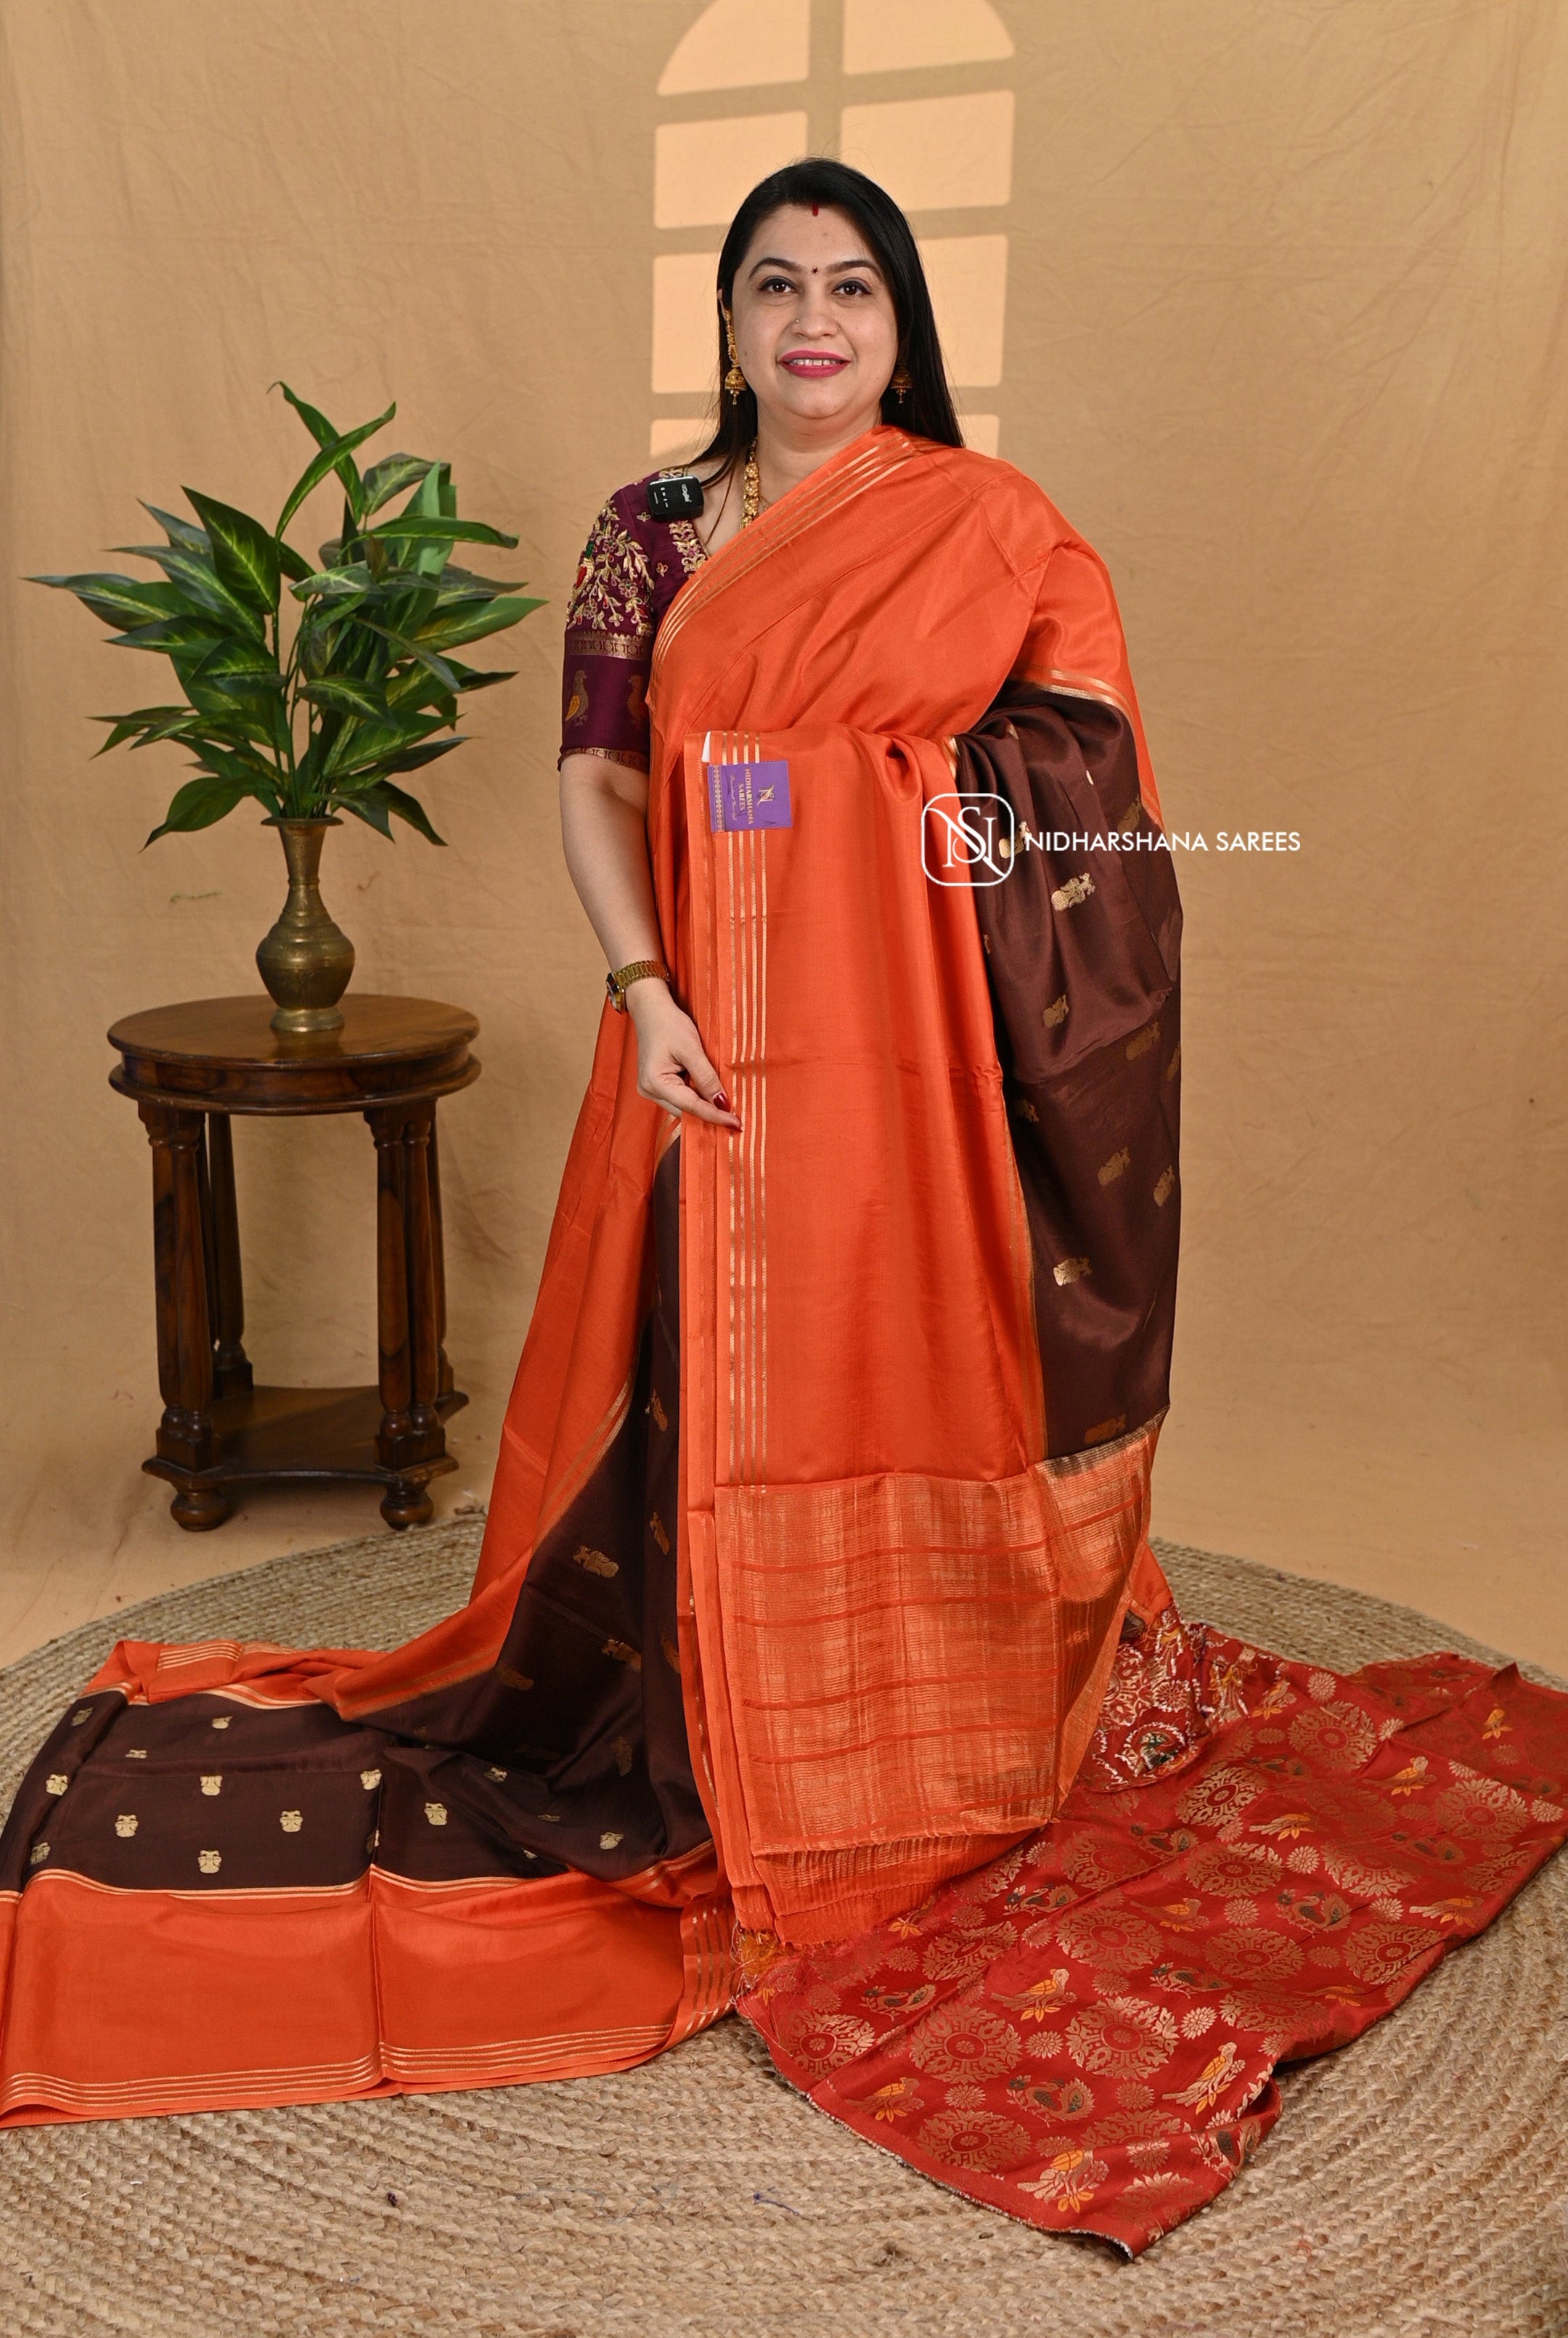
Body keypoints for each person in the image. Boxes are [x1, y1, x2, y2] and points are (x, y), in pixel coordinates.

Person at [0, 161, 1564, 2258]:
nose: (812, 320)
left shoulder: (993, 526)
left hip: (924, 1079)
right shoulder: (652, 531)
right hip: (702, 1037)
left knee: (897, 1362)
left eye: (851, 287)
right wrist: (651, 978)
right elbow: (604, 775)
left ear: (901, 323)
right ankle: (708, 1728)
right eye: (772, 286)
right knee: (689, 1381)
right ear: (729, 319)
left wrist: (815, 805)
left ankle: (915, 1737)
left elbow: (1087, 787)